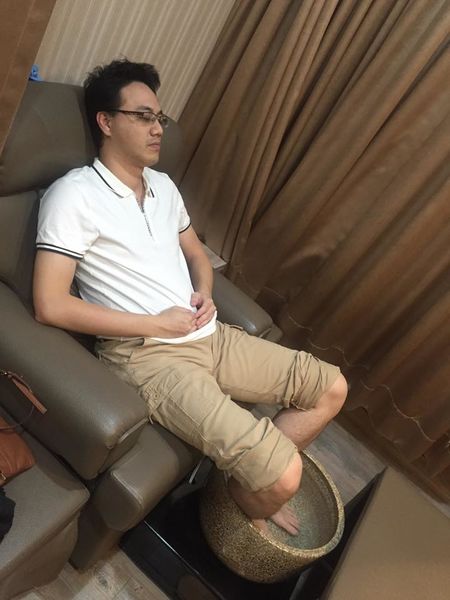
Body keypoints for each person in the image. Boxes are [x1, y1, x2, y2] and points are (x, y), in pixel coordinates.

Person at [33, 59, 347, 535]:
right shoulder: (74, 196)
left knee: (330, 387)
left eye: (159, 118)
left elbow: (197, 253)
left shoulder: (163, 186)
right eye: (143, 116)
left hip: (208, 334)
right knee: (286, 476)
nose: (158, 128)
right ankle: (249, 500)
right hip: (149, 357)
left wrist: (205, 292)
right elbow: (50, 305)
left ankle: (252, 482)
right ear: (106, 122)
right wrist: (157, 324)